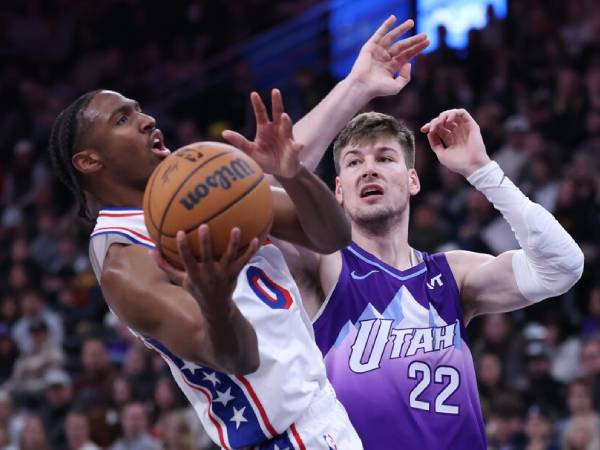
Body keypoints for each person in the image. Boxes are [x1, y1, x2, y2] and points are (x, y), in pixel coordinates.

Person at [46, 83, 363, 449]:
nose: (147, 121)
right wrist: (216, 302)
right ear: (89, 161)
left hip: (323, 410)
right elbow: (236, 358)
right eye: (122, 119)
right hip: (282, 438)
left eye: (139, 110)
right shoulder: (125, 262)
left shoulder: (200, 188)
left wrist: (294, 174)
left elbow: (333, 236)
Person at [274, 110, 584, 447]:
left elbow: (561, 267)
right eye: (353, 162)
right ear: (338, 190)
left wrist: (482, 169)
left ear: (413, 181)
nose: (368, 169)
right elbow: (258, 190)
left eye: (385, 157)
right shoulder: (323, 266)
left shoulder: (452, 274)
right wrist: (355, 88)